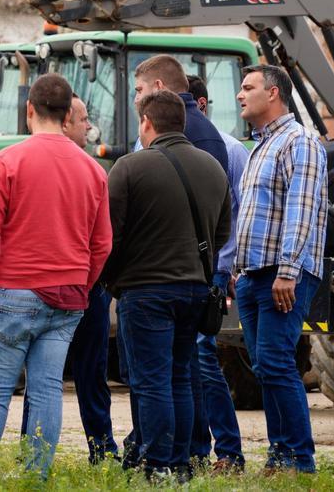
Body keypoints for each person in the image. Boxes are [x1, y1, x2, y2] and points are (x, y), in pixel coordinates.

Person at [0, 74, 112, 484]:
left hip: (12, 291)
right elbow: (103, 243)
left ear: (30, 110)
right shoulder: (93, 170)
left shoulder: (9, 161)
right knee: (46, 393)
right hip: (68, 298)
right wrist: (84, 283)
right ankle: (33, 478)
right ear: (66, 116)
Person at [101, 89, 232, 481]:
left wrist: (111, 278)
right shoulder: (213, 166)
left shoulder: (129, 167)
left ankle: (155, 463)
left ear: (147, 123)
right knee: (180, 375)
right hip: (194, 288)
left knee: (151, 379)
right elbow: (223, 232)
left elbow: (110, 235)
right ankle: (180, 462)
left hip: (145, 291)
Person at [131, 56, 248, 473]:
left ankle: (184, 454)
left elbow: (124, 224)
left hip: (165, 276)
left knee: (171, 372)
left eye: (140, 92)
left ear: (159, 89)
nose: (137, 101)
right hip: (199, 271)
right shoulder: (217, 140)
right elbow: (224, 217)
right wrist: (215, 261)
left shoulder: (164, 149)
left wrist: (117, 280)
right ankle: (189, 455)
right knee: (185, 369)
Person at [232, 64, 327, 474]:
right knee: (264, 367)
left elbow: (300, 210)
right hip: (254, 274)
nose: (240, 95)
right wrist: (238, 270)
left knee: (275, 363)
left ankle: (298, 459)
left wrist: (288, 271)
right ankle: (279, 454)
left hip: (282, 274)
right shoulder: (260, 147)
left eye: (248, 87)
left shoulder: (299, 141)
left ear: (273, 94)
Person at [24, 94, 118, 464]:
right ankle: (36, 450)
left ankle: (101, 447)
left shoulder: (92, 169)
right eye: (83, 120)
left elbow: (101, 239)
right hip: (70, 287)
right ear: (64, 121)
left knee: (89, 372)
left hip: (81, 288)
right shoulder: (80, 169)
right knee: (44, 377)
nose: (89, 127)